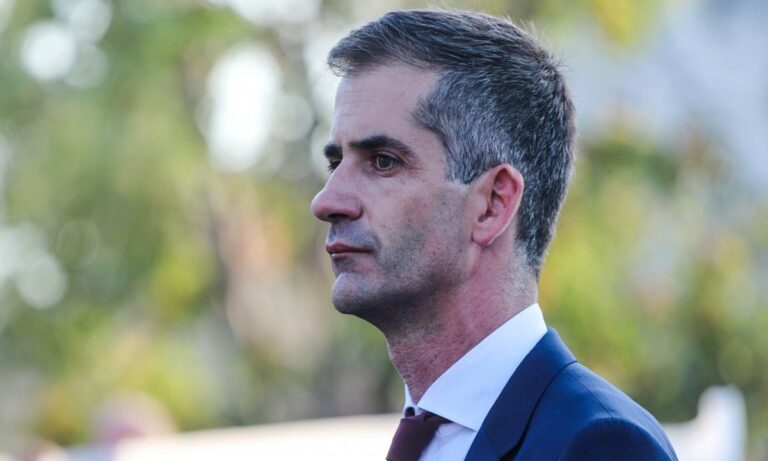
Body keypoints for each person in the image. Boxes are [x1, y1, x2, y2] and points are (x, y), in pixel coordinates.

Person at [310, 9, 678, 461]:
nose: (326, 201)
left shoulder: (600, 445)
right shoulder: (429, 435)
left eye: (383, 161)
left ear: (493, 204)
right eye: (335, 162)